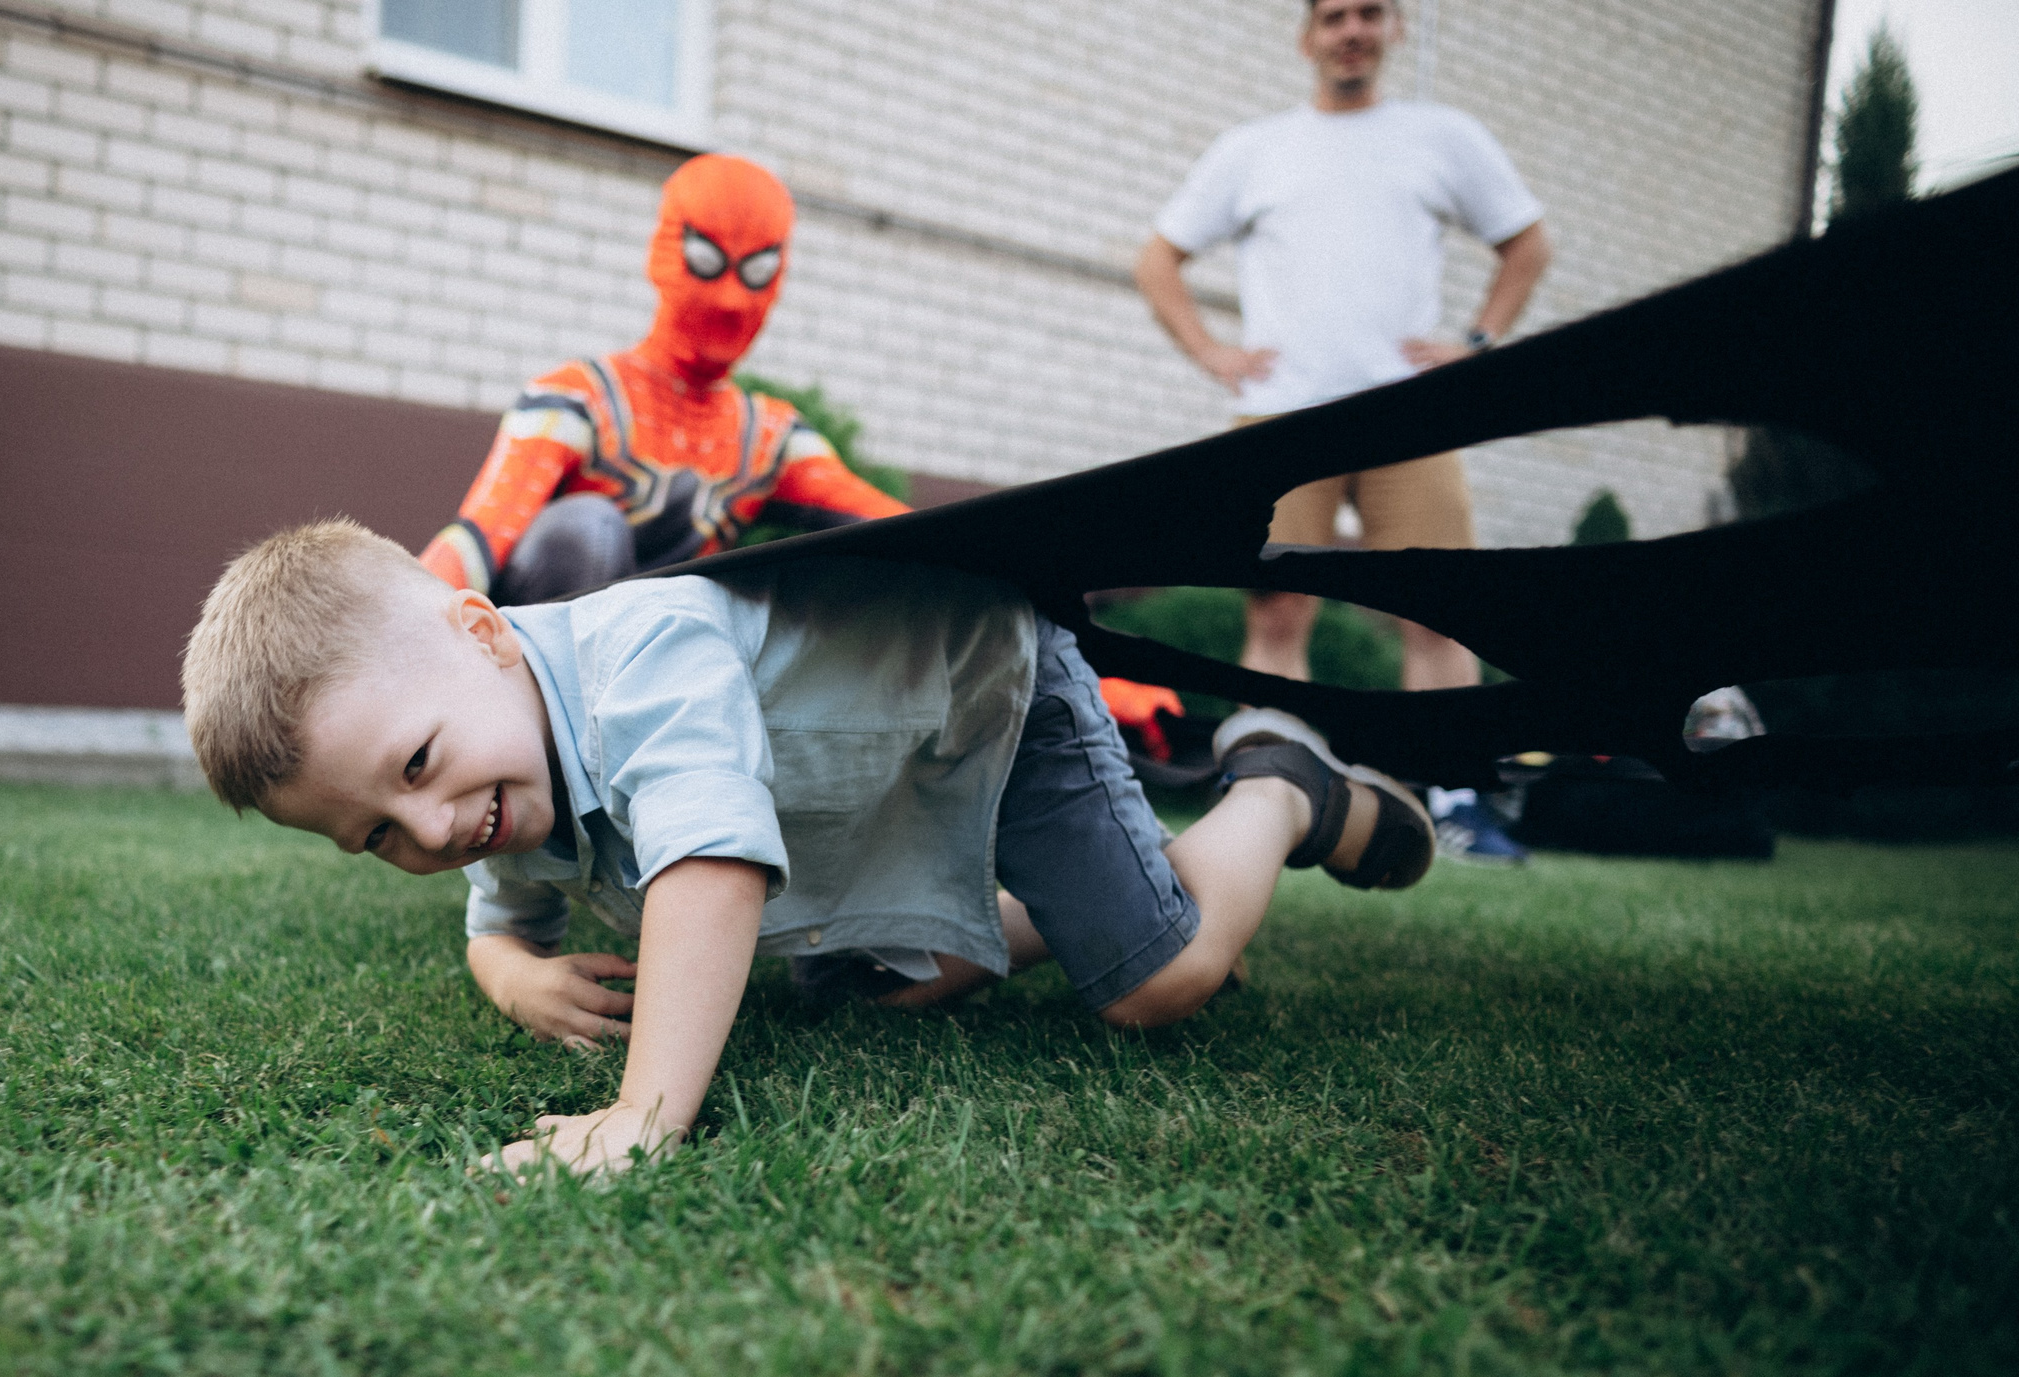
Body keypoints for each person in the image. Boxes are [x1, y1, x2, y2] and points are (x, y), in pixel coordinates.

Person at [182, 519, 1439, 1177]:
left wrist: (643, 1116)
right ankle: (1071, 902)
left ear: (485, 631)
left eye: (413, 771)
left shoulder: (639, 659)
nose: (433, 828)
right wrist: (514, 975)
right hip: (872, 790)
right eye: (374, 838)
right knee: (881, 984)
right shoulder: (487, 771)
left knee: (1159, 981)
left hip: (985, 693)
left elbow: (709, 869)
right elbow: (498, 921)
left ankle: (1278, 787)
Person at [1133, 0, 1550, 862]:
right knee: (1279, 610)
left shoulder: (1443, 136)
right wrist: (1214, 352)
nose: (1350, 30)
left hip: (1409, 414)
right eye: (1332, 17)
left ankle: (1458, 799)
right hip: (1283, 418)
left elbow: (1528, 244)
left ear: (1394, 29)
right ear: (1307, 38)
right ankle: (1267, 794)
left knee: (1441, 613)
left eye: (1368, 13)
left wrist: (1476, 344)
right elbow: (1158, 258)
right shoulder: (1254, 149)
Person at [416, 153, 909, 603]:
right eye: (706, 262)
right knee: (585, 529)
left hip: (664, 660)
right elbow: (481, 535)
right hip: (534, 649)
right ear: (666, 250)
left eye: (757, 270)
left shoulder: (769, 438)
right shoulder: (576, 399)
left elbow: (889, 522)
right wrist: (399, 629)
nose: (731, 300)